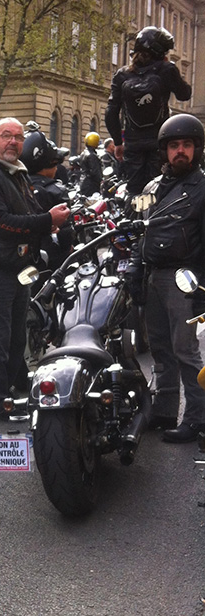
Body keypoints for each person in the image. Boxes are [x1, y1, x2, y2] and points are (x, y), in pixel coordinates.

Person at [0, 117, 70, 419]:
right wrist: (48, 221)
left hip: (18, 269)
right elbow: (2, 224)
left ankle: (6, 395)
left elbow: (29, 212)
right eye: (7, 136)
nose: (13, 142)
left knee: (15, 339)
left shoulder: (15, 173)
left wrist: (50, 224)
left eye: (19, 137)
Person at [127, 114, 205, 442]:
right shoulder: (150, 188)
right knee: (159, 348)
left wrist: (201, 286)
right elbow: (136, 228)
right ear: (164, 150)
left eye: (187, 145)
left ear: (197, 149)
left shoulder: (202, 187)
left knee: (185, 351)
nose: (181, 151)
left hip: (184, 277)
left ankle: (197, 418)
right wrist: (134, 265)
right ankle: (165, 410)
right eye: (174, 145)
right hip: (153, 274)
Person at [105, 25, 191, 196]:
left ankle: (133, 220)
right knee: (158, 190)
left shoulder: (122, 75)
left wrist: (118, 142)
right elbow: (184, 94)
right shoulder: (166, 70)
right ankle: (156, 221)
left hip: (133, 144)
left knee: (135, 192)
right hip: (159, 142)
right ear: (159, 51)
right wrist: (173, 71)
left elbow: (111, 112)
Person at [20, 129, 72, 269]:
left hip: (22, 255)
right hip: (50, 257)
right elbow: (66, 231)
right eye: (55, 164)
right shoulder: (55, 190)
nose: (56, 168)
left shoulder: (17, 185)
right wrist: (68, 248)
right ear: (46, 166)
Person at [79, 132, 103, 196]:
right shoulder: (92, 156)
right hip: (91, 185)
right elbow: (95, 172)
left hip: (83, 182)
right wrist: (101, 180)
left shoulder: (83, 153)